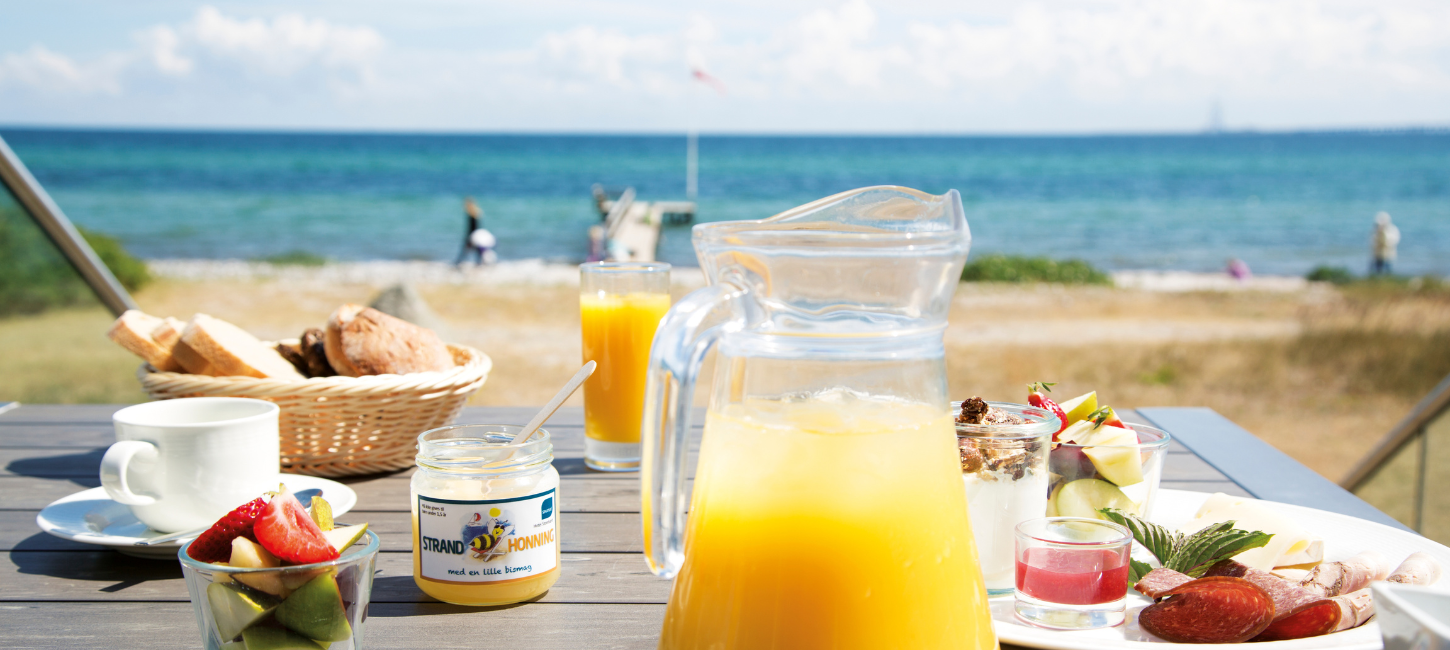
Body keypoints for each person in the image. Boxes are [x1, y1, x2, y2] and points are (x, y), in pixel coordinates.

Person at [455, 197, 496, 266]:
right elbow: (478, 226)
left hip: (472, 235)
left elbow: (471, 227)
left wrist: (469, 237)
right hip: (476, 234)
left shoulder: (471, 214)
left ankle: (458, 263)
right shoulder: (477, 213)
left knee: (465, 251)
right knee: (477, 251)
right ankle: (479, 263)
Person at [1371, 211, 1400, 276]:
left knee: (1388, 271)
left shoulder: (1393, 229)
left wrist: (1384, 239)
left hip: (1388, 255)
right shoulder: (1375, 231)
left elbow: (1394, 241)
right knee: (1377, 272)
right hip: (1377, 255)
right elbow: (1372, 242)